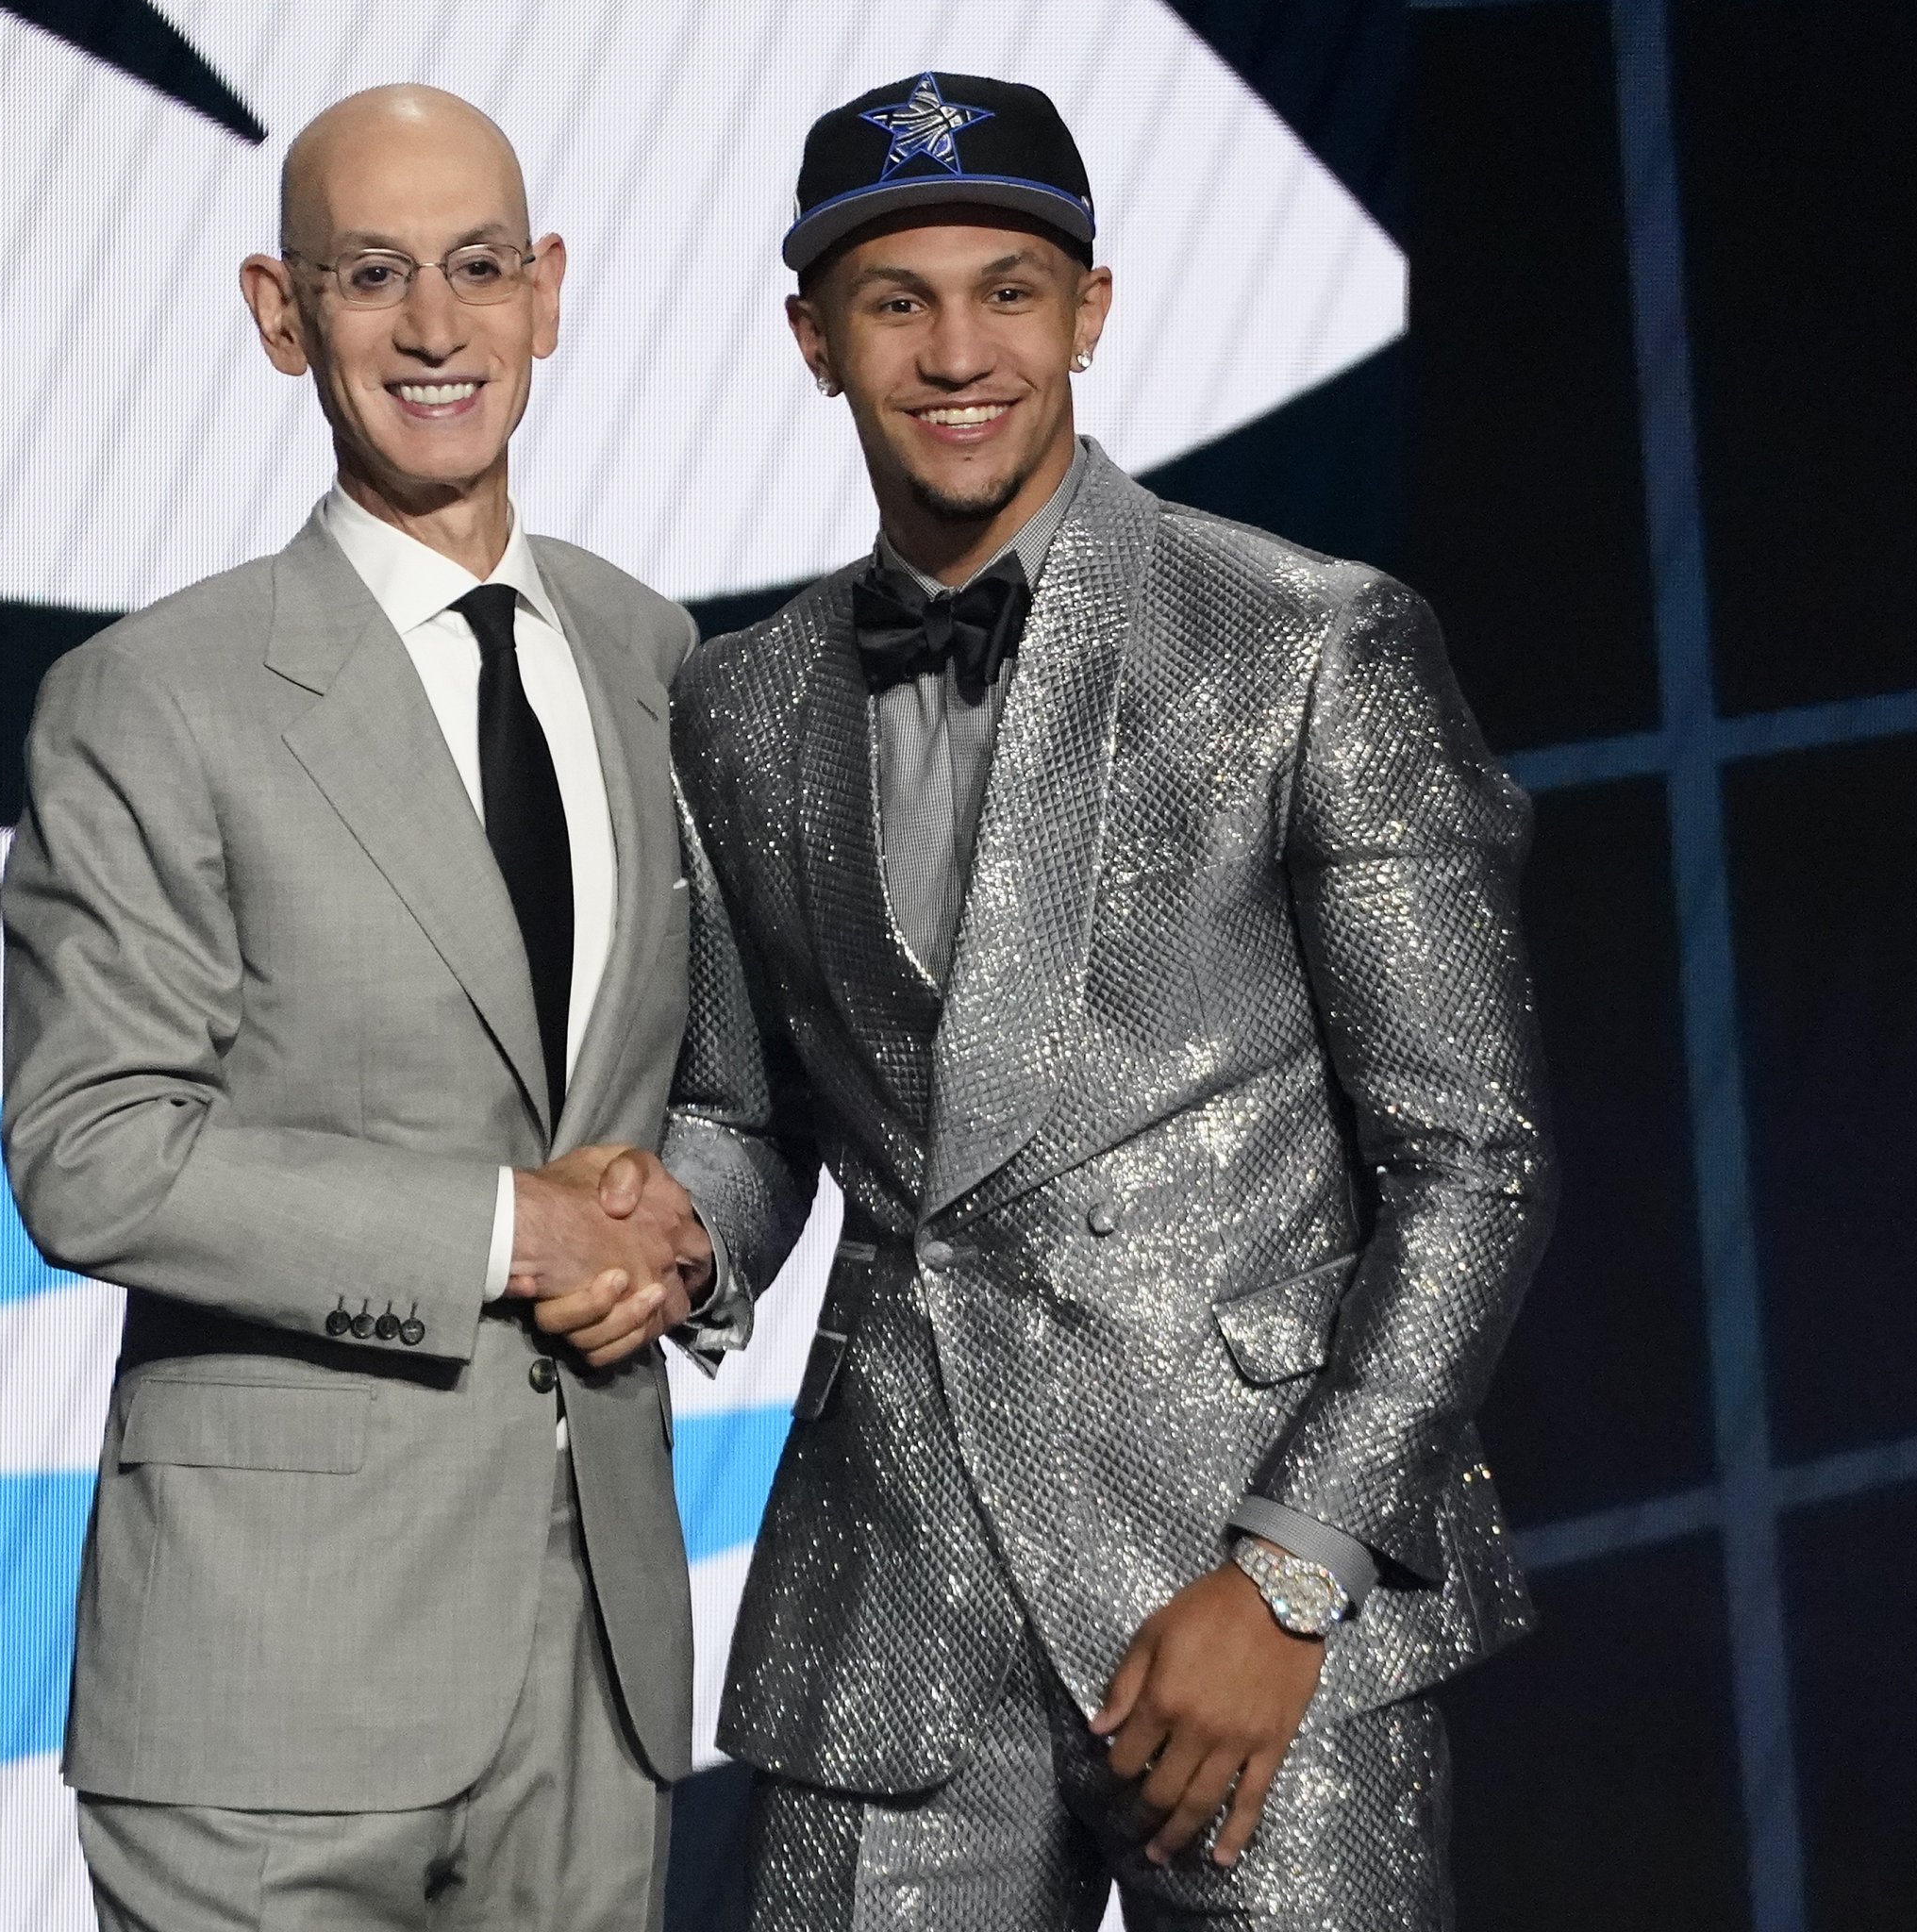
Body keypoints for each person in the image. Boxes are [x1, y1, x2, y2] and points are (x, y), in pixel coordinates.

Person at [656, 72, 1557, 1929]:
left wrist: (1296, 1565)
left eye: (1008, 289)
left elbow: (1472, 1157)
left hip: (1253, 1614)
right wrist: (663, 1233)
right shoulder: (736, 706)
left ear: (1092, 310)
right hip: (889, 1611)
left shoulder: (1313, 638)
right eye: (898, 303)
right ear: (813, 340)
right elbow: (755, 1115)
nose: (958, 348)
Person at [0, 85, 725, 1932]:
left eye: (479, 269)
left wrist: (686, 1229)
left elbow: (730, 1072)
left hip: (602, 1668)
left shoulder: (657, 657)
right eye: (371, 275)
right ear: (279, 313)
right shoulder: (152, 698)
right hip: (267, 1685)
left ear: (547, 293)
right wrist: (509, 1227)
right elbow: (93, 1155)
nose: (433, 326)